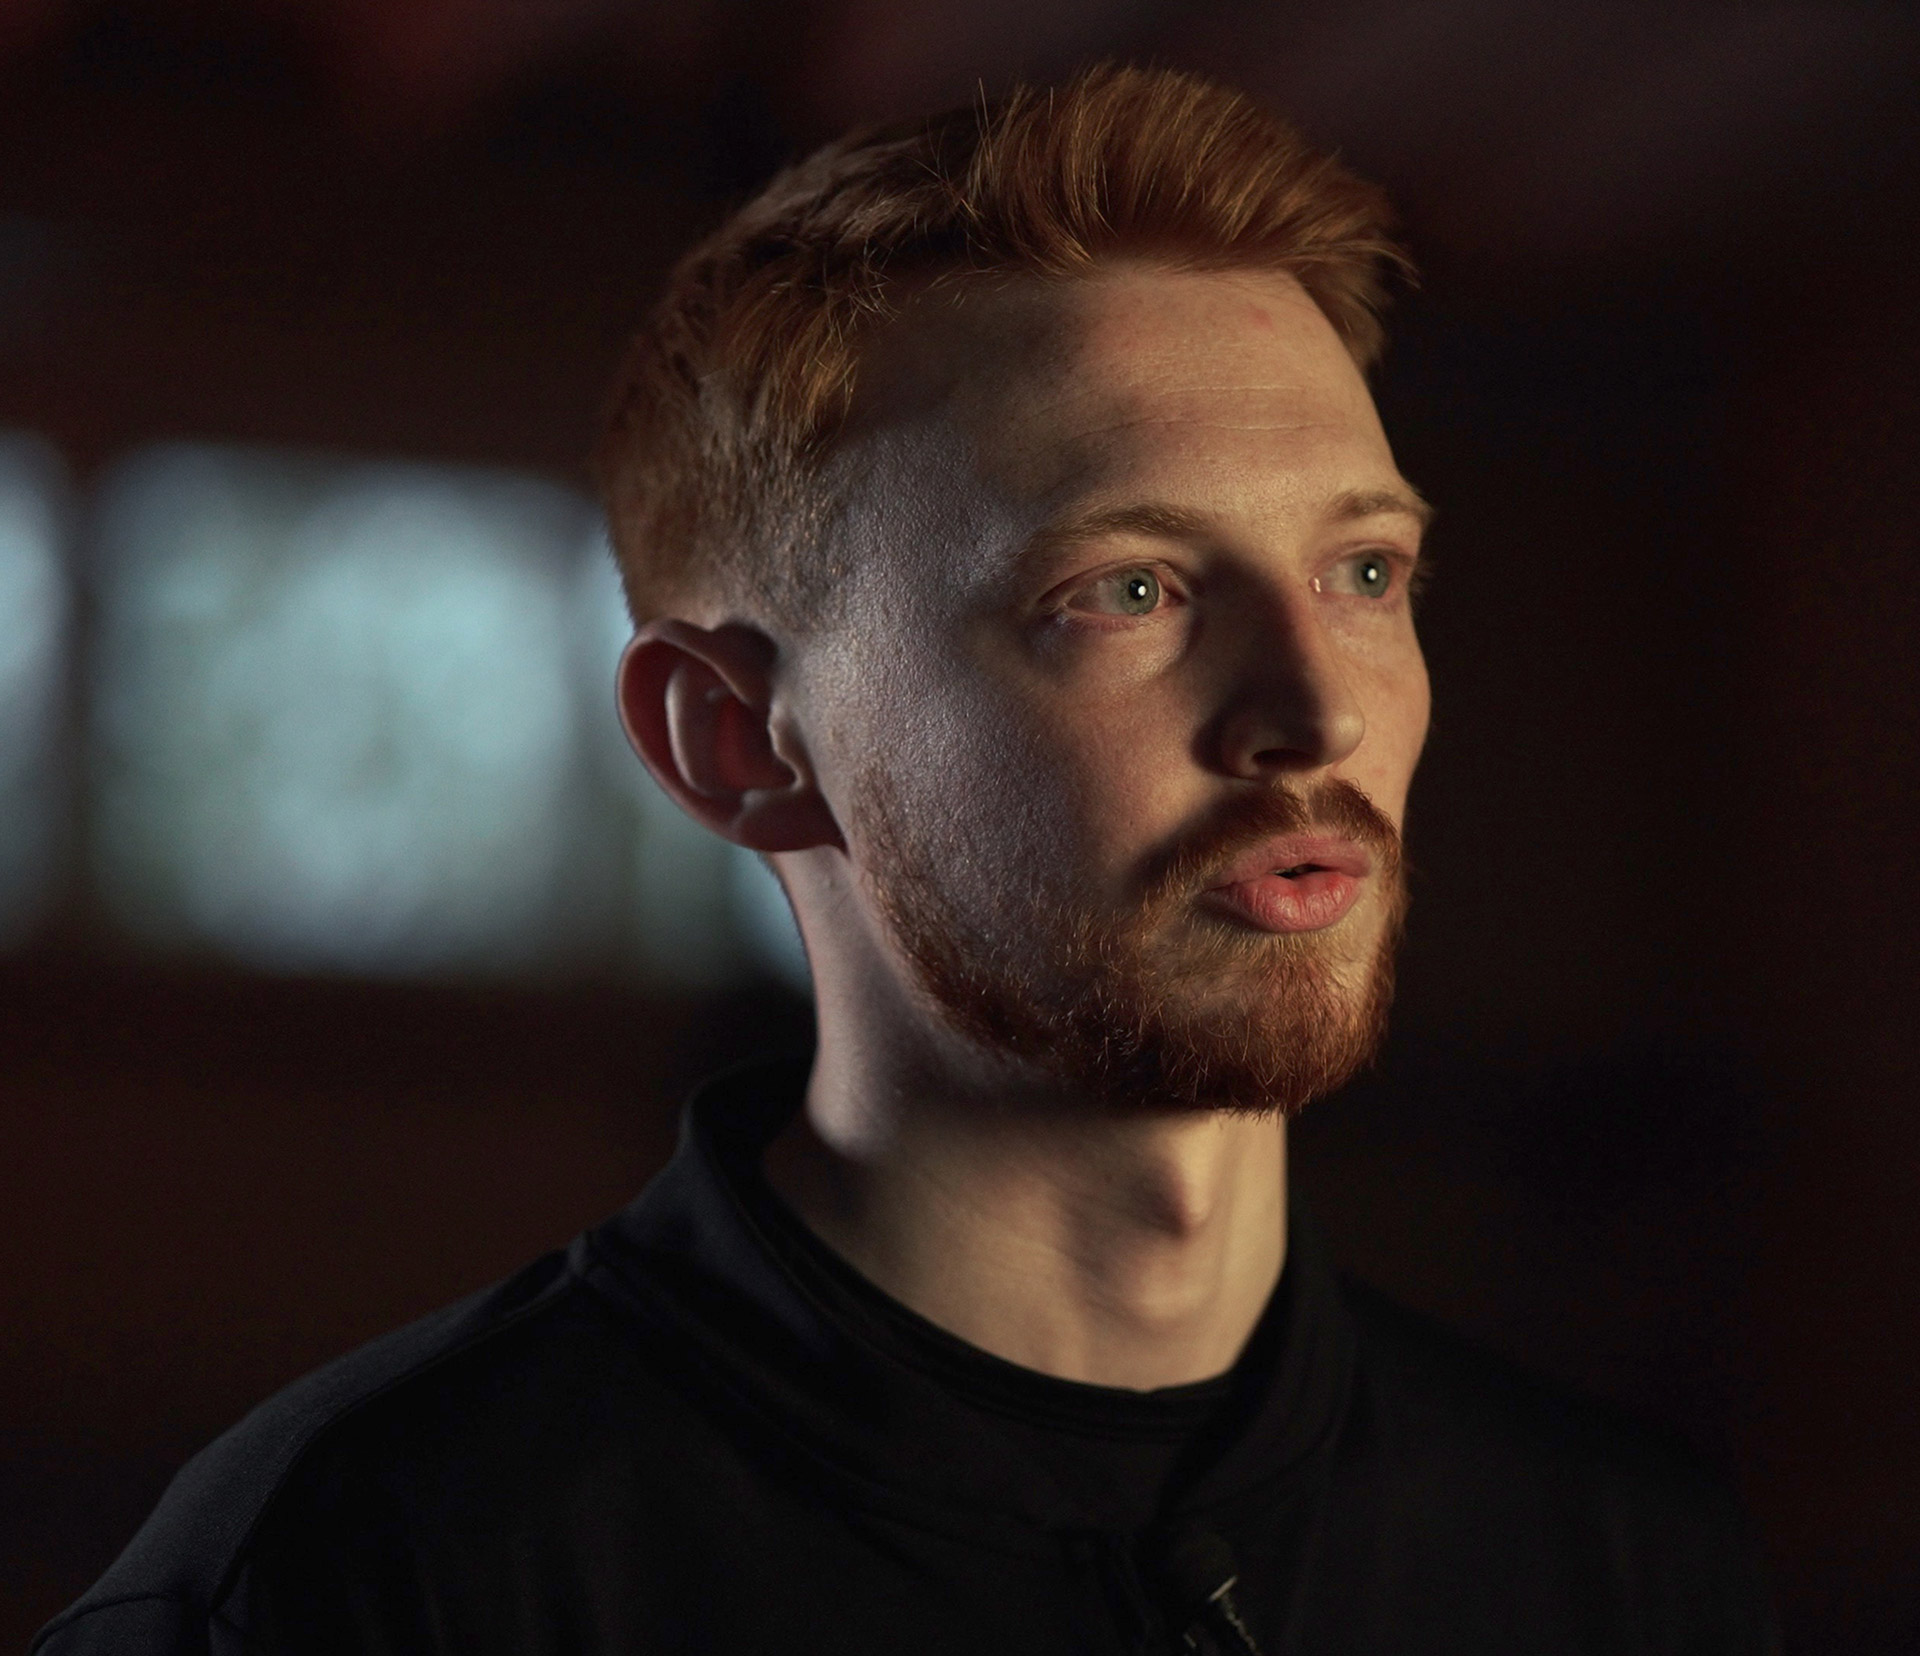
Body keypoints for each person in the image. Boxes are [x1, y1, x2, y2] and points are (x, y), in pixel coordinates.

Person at [33, 63, 1774, 1655]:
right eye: (1131, 591)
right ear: (738, 740)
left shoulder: (1625, 1570)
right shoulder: (353, 1585)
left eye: (1366, 574)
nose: (1315, 716)